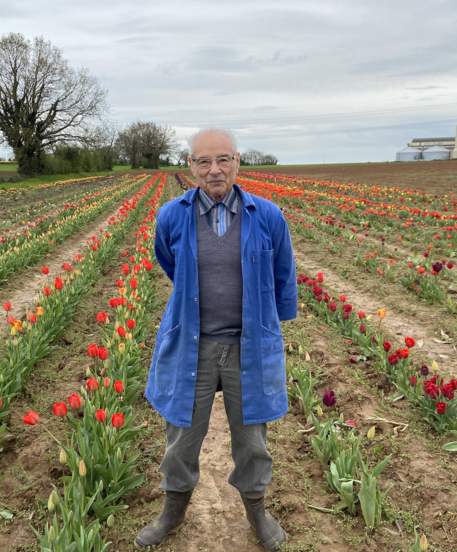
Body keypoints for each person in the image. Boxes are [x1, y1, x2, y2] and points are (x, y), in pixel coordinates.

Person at [136, 128, 297, 551]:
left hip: (249, 346)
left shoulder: (268, 215)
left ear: (238, 162)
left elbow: (283, 276)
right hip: (195, 344)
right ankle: (172, 510)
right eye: (203, 161)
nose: (214, 170)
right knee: (181, 437)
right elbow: (169, 262)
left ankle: (257, 511)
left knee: (252, 440)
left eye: (223, 159)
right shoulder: (173, 215)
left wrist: (270, 330)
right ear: (190, 167)